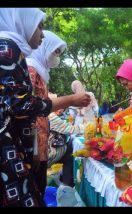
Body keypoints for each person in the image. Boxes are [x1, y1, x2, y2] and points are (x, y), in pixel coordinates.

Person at [0, 8, 90, 207]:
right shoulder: (11, 50)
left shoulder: (22, 57)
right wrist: (70, 100)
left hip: (28, 142)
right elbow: (22, 105)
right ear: (22, 22)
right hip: (21, 144)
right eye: (39, 25)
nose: (42, 33)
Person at [26, 30, 67, 196]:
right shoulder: (31, 69)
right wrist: (34, 150)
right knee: (33, 191)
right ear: (45, 47)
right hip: (33, 146)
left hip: (40, 145)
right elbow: (28, 111)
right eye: (56, 51)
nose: (57, 57)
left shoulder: (41, 72)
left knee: (39, 189)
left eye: (60, 53)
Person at [47, 93, 84, 188]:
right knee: (70, 148)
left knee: (70, 144)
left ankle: (67, 183)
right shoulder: (50, 117)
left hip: (41, 153)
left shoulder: (46, 114)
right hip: (47, 155)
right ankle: (68, 184)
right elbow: (71, 130)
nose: (61, 108)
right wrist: (89, 126)